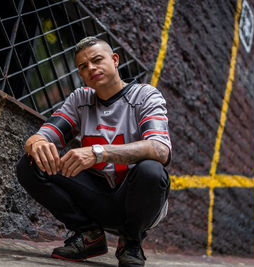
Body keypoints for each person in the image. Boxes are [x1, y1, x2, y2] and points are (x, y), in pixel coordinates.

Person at [16, 36, 171, 267]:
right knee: (30, 164)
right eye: (83, 66)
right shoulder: (80, 99)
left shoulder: (145, 95)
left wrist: (99, 152)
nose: (91, 68)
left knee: (152, 170)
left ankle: (131, 241)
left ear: (115, 59)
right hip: (94, 196)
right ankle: (89, 235)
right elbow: (43, 135)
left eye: (97, 60)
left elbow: (161, 150)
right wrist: (36, 142)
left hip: (134, 199)